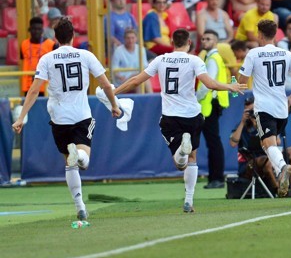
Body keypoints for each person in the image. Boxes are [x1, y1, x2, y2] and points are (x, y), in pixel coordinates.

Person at [114, 28, 245, 212]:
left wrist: (114, 92)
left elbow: (136, 80)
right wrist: (229, 87)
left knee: (179, 163)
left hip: (170, 115)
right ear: (189, 43)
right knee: (193, 158)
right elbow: (209, 84)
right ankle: (189, 201)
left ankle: (181, 154)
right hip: (192, 114)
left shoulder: (160, 59)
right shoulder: (195, 60)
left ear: (172, 42)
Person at [12, 17, 121, 221]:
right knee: (83, 161)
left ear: (55, 37)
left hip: (59, 118)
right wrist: (114, 105)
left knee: (69, 165)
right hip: (81, 115)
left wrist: (21, 117)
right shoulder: (85, 55)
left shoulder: (47, 59)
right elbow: (106, 85)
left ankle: (80, 206)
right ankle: (79, 155)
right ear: (73, 36)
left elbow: (35, 90)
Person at [238, 20, 291, 197]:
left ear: (259, 34)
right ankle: (282, 170)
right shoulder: (286, 54)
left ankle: (282, 168)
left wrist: (232, 85)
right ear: (276, 34)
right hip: (282, 108)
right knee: (270, 145)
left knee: (267, 143)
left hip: (265, 107)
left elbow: (241, 83)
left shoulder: (254, 54)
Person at [229, 95, 291, 196]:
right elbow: (233, 143)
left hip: (269, 155)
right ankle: (278, 189)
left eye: (253, 110)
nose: (252, 114)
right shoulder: (242, 125)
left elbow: (277, 142)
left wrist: (259, 126)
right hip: (250, 161)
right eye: (249, 111)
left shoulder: (266, 121)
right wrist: (242, 122)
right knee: (267, 162)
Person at [197, 30, 229, 189]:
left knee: (213, 143)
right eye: (203, 39)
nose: (204, 41)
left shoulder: (212, 59)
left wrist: (194, 99)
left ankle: (216, 178)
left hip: (209, 106)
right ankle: (215, 177)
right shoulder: (213, 58)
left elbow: (206, 85)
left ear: (215, 42)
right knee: (213, 142)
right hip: (213, 104)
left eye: (208, 39)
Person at [21, 17, 58, 95]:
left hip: (45, 85)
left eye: (39, 29)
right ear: (29, 30)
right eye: (34, 29)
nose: (36, 32)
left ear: (42, 30)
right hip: (28, 85)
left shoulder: (51, 45)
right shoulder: (24, 44)